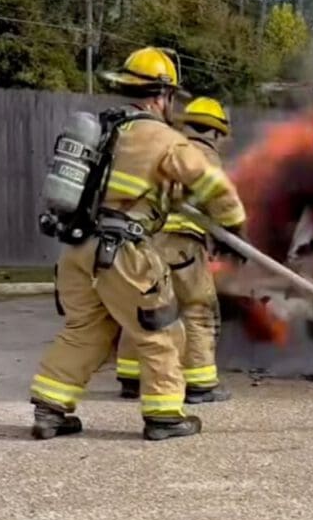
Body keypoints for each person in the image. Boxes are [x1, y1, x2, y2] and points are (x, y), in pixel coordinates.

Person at [30, 47, 247, 441]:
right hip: (123, 251)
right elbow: (211, 183)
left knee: (84, 330)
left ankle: (49, 410)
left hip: (77, 250)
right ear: (163, 95)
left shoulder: (107, 129)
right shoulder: (163, 138)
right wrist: (235, 226)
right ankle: (164, 416)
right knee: (160, 331)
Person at [115, 96, 238, 404]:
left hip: (143, 241)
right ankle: (201, 383)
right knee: (198, 309)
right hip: (181, 245)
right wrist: (233, 233)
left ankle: (132, 378)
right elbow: (217, 200)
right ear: (216, 132)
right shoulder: (205, 156)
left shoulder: (167, 148)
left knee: (145, 307)